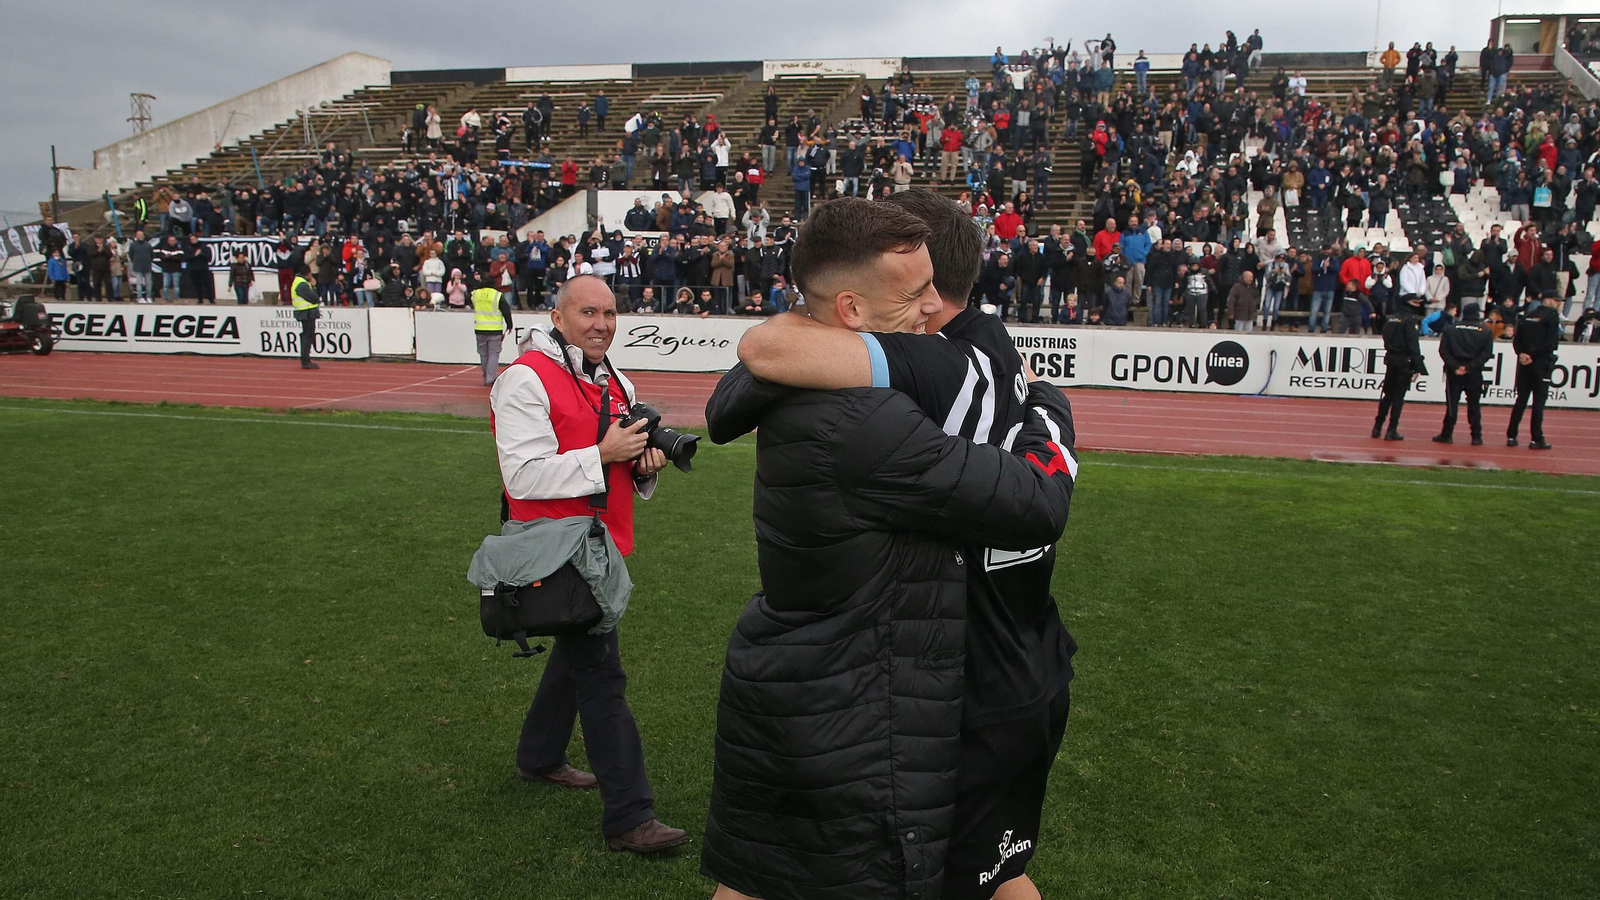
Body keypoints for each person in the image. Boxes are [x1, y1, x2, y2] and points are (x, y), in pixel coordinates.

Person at [702, 197, 1076, 900]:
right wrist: (1047, 416)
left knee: (759, 877)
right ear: (850, 308)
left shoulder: (846, 377)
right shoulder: (865, 417)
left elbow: (745, 377)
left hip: (809, 680)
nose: (932, 310)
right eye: (912, 295)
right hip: (848, 704)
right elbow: (1036, 505)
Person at [490, 275, 686, 854]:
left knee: (576, 655)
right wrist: (602, 454)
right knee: (601, 676)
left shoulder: (614, 378)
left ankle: (539, 757)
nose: (601, 324)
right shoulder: (525, 377)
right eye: (587, 313)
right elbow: (522, 476)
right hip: (555, 549)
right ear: (557, 317)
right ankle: (630, 817)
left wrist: (643, 465)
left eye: (609, 313)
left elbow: (617, 466)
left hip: (600, 547)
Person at [1506, 292, 1562, 450]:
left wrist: (1522, 354)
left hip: (1524, 363)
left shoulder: (1528, 315)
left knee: (1521, 400)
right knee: (1538, 402)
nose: (1559, 303)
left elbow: (1517, 340)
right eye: (1556, 300)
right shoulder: (1551, 316)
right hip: (1541, 363)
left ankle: (1511, 435)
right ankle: (1536, 438)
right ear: (1548, 300)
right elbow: (1551, 343)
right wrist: (1533, 355)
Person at [1433, 305, 1494, 446]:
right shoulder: (1485, 331)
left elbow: (1443, 351)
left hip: (1454, 372)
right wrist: (1470, 367)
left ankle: (1447, 434)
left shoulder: (1451, 329)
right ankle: (1476, 436)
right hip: (1474, 372)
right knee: (1474, 405)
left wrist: (1455, 366)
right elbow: (1486, 353)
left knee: (1452, 404)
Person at [1372, 294, 1428, 440]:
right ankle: (1391, 430)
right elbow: (1413, 345)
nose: (1418, 304)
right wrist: (1418, 366)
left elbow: (1385, 337)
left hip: (1391, 359)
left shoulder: (1391, 319)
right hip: (1404, 361)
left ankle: (1377, 427)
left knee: (1387, 395)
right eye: (1415, 302)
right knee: (1398, 397)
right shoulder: (1410, 321)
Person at [470, 282, 515, 386]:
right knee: (493, 353)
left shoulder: (476, 294)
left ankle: (486, 374)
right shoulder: (497, 295)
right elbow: (506, 311)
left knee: (483, 354)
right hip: (495, 329)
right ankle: (490, 378)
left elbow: (469, 299)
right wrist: (509, 325)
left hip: (480, 328)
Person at [288, 267, 320, 370]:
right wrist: (314, 287)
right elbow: (314, 298)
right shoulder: (302, 284)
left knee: (307, 336)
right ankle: (305, 360)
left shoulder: (300, 282)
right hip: (306, 313)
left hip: (306, 312)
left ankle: (306, 359)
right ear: (308, 273)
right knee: (307, 336)